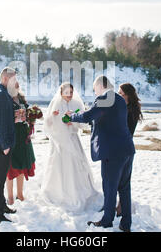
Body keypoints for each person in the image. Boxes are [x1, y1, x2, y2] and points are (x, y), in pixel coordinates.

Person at [67, 76, 135, 232]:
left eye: (94, 88)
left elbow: (87, 117)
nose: (94, 92)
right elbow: (106, 119)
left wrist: (72, 116)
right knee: (124, 188)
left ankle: (107, 221)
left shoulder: (105, 97)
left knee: (110, 187)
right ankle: (126, 224)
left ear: (100, 86)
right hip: (127, 149)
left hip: (113, 152)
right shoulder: (118, 99)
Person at [42, 82, 100, 212]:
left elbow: (83, 123)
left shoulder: (77, 104)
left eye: (71, 93)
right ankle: (57, 191)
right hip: (59, 140)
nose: (69, 95)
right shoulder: (56, 104)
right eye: (66, 93)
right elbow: (48, 123)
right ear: (61, 93)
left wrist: (73, 122)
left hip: (72, 139)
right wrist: (53, 116)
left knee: (75, 164)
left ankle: (77, 190)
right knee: (59, 165)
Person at [0, 67, 19, 224]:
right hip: (2, 146)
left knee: (1, 177)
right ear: (6, 79)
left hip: (3, 144)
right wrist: (6, 146)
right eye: (13, 79)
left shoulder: (3, 93)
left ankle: (2, 206)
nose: (15, 82)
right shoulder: (0, 95)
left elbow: (4, 117)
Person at [114, 83, 143, 216]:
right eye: (118, 93)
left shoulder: (128, 111)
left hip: (121, 150)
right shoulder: (132, 108)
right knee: (124, 182)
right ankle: (121, 209)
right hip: (128, 149)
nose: (119, 96)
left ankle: (119, 209)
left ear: (129, 96)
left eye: (122, 94)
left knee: (119, 182)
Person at [6, 82, 36, 205]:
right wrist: (15, 117)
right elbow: (4, 118)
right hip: (12, 136)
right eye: (15, 86)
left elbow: (28, 115)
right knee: (10, 168)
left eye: (18, 86)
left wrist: (31, 116)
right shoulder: (6, 100)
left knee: (22, 166)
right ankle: (10, 196)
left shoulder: (22, 99)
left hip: (23, 136)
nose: (17, 88)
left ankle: (19, 194)